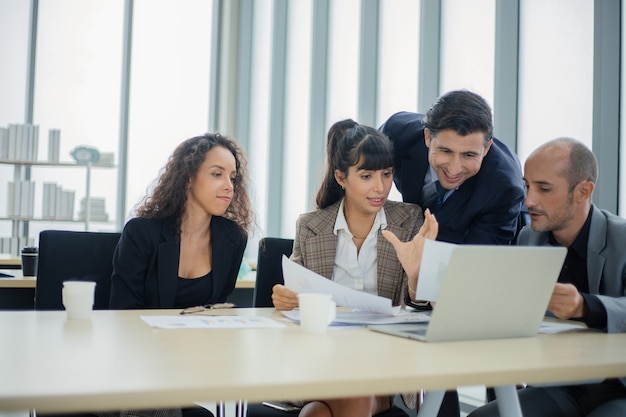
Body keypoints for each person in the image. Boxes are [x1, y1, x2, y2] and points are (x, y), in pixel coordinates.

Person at [271, 119, 438, 417]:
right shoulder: (311, 226)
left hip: (381, 361)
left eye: (386, 174)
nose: (380, 187)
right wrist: (287, 300)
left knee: (341, 401)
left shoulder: (408, 221)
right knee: (316, 413)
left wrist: (416, 279)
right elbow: (295, 294)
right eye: (366, 175)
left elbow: (417, 311)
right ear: (341, 177)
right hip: (321, 359)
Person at [468, 137, 626, 417]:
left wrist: (585, 307)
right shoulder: (529, 238)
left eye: (544, 188)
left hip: (618, 388)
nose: (529, 200)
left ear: (583, 191)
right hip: (559, 385)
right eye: (527, 186)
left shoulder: (622, 238)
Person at [105, 133, 254, 417]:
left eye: (233, 178)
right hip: (131, 363)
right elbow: (122, 316)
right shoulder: (142, 233)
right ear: (188, 178)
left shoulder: (232, 239)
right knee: (157, 400)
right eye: (216, 174)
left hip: (184, 367)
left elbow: (216, 309)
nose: (228, 186)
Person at [380, 89, 526, 245]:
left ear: (487, 148)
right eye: (445, 151)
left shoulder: (504, 188)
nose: (454, 169)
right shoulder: (396, 134)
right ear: (428, 137)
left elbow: (479, 262)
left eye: (469, 155)